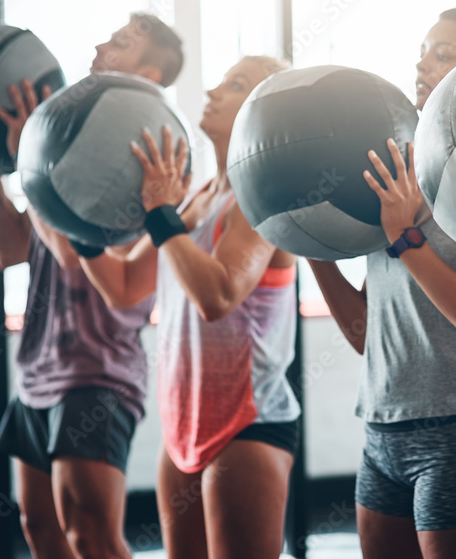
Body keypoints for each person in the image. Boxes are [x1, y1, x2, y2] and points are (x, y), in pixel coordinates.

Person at [307, 9, 456, 558]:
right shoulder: (399, 178)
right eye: (423, 51)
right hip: (382, 433)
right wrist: (316, 250)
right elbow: (367, 334)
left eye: (442, 53)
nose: (421, 63)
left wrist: (405, 237)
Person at [73, 56, 298, 559]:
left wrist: (159, 215)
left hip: (248, 425)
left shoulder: (260, 200)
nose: (215, 90)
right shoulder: (194, 200)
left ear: (262, 111)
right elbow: (124, 285)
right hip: (181, 428)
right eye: (221, 79)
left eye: (236, 85)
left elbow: (217, 295)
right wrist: (75, 215)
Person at [0, 12, 184, 559]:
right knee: (41, 531)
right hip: (37, 371)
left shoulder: (154, 158)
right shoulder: (62, 145)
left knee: (90, 536)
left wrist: (29, 159)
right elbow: (9, 248)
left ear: (152, 74)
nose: (99, 46)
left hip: (96, 374)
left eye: (119, 43)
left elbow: (74, 254)